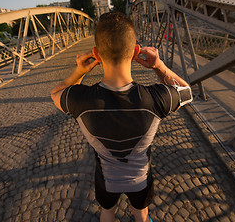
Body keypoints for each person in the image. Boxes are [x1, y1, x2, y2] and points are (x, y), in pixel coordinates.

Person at [51, 12, 192, 222]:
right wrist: (158, 66)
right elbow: (186, 91)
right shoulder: (155, 98)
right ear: (136, 51)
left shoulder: (82, 100)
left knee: (107, 212)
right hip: (141, 180)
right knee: (141, 213)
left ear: (97, 55)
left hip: (106, 180)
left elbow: (55, 93)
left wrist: (79, 72)